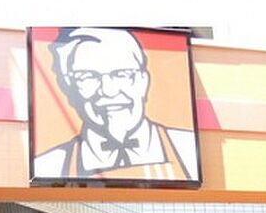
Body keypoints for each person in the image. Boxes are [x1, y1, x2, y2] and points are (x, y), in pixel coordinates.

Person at [33, 27, 199, 181]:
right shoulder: (49, 165)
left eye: (122, 74)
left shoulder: (187, 149)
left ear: (143, 81)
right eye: (88, 76)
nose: (108, 90)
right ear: (69, 88)